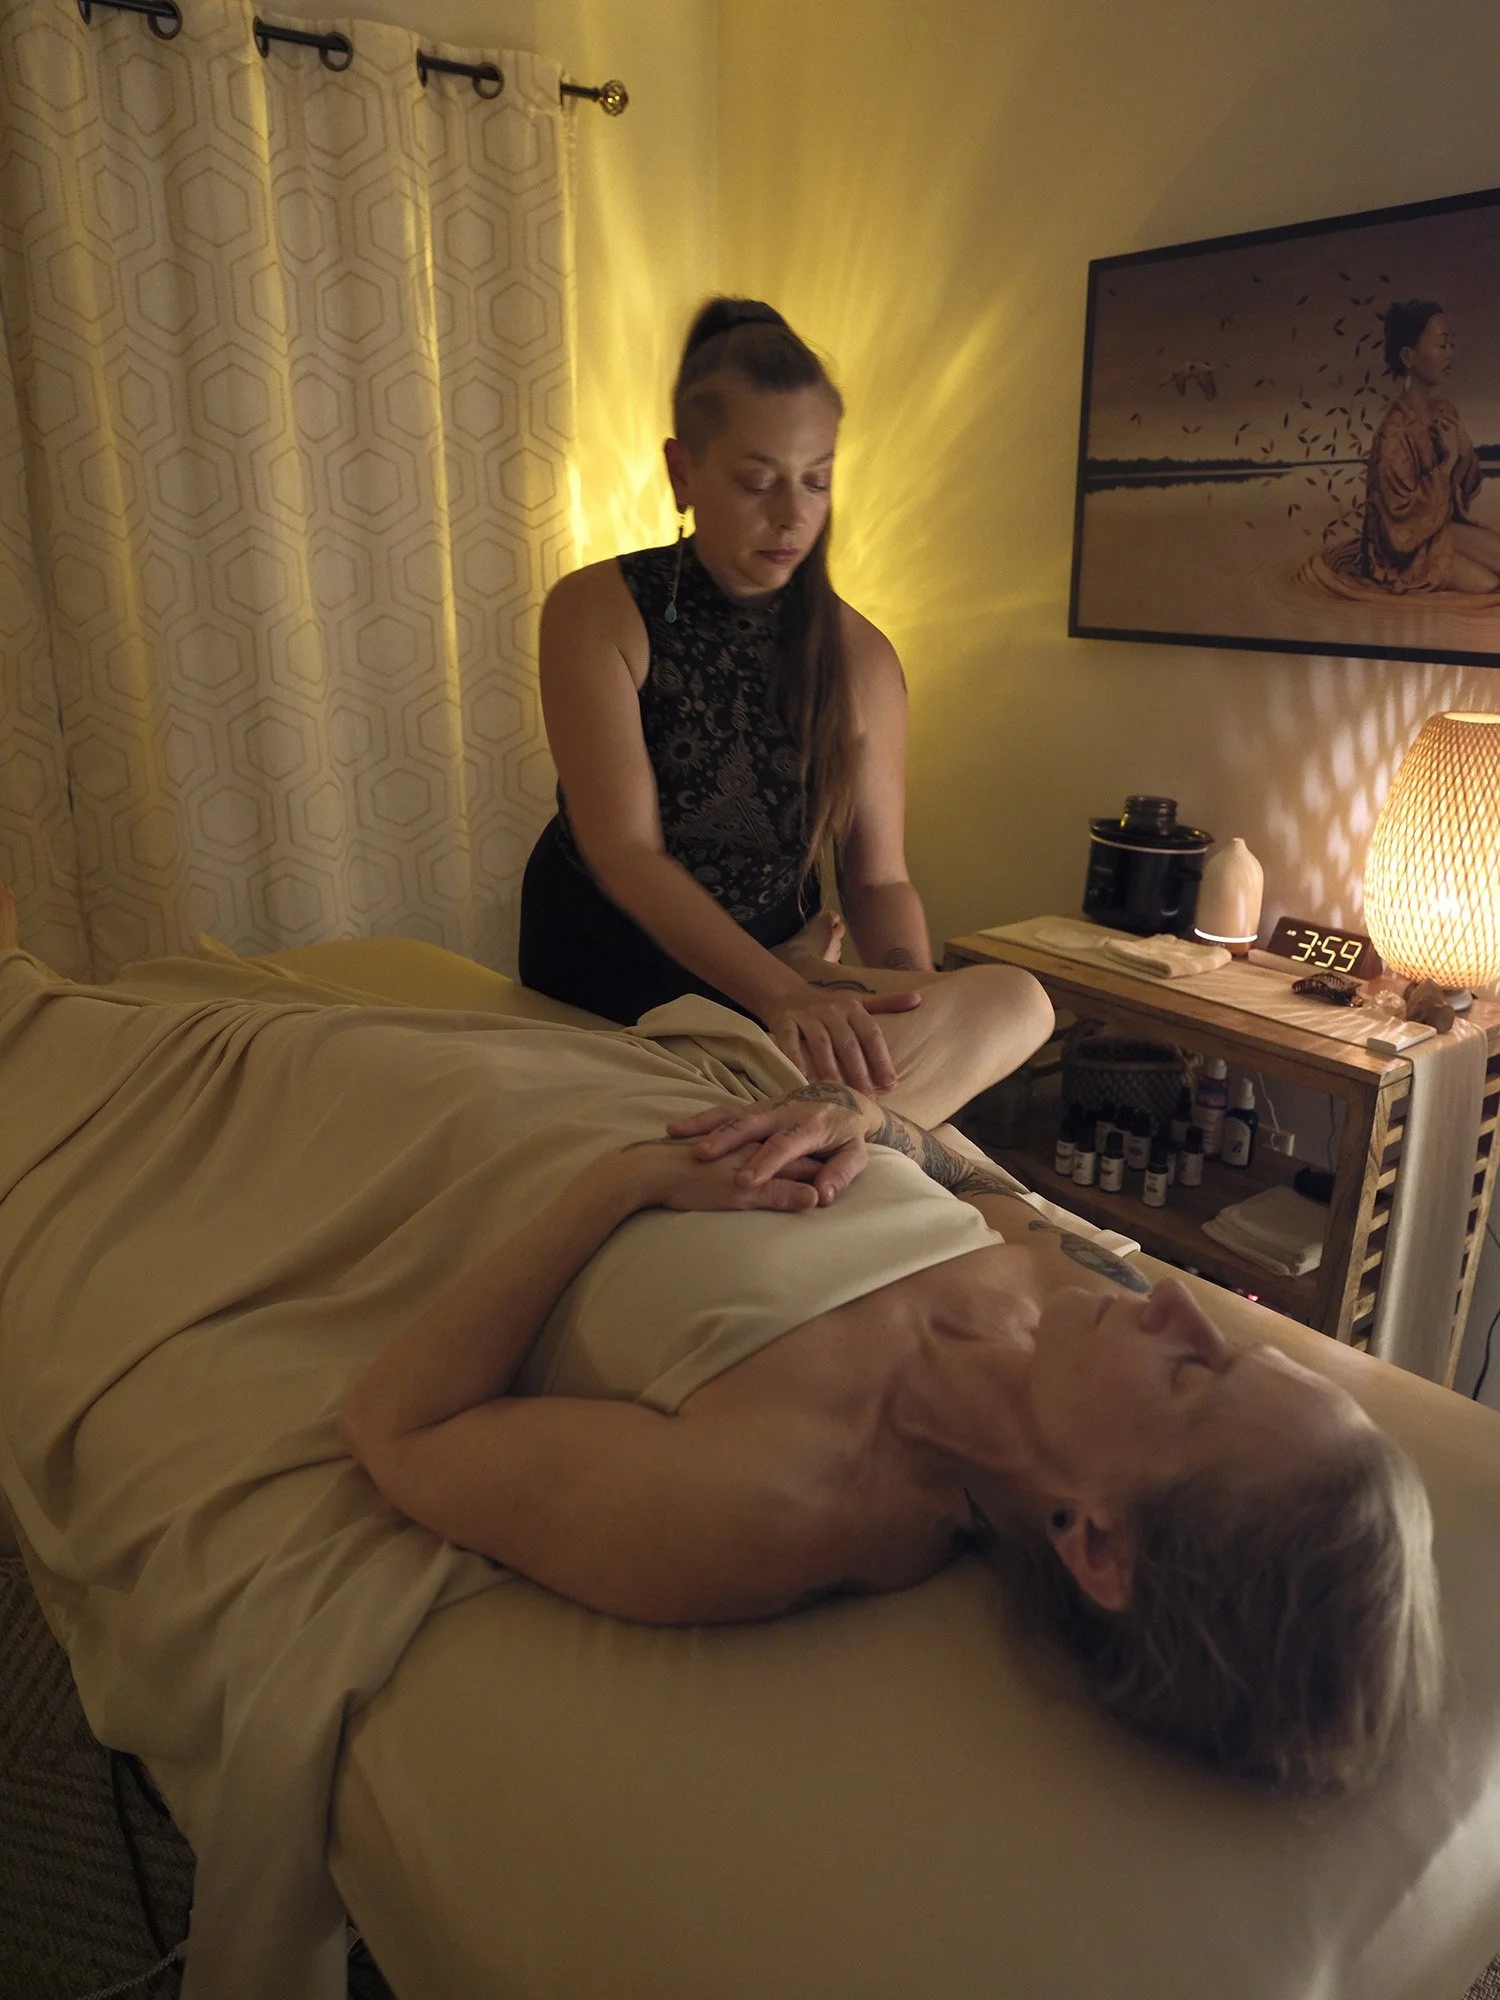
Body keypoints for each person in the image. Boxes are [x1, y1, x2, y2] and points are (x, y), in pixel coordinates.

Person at [342, 1051, 1442, 1798]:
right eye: (1230, 1340)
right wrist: (859, 1117)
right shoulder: (1054, 1285)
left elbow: (401, 1429)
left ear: (1097, 1542)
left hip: (454, 1123)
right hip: (630, 1061)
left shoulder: (776, 1497)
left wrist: (620, 1185)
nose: (1175, 1303)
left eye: (1191, 1378)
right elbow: (941, 1156)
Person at [518, 296, 1047, 1100]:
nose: (792, 514)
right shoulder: (597, 611)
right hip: (610, 972)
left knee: (1018, 1001)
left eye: (816, 481)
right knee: (837, 1077)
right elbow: (626, 855)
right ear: (683, 471)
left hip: (784, 987)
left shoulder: (859, 656)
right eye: (758, 481)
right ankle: (826, 1120)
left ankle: (832, 1122)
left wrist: (907, 992)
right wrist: (783, 986)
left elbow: (876, 883)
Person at [1360, 301, 1500, 593]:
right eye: (1440, 344)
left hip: (1440, 529)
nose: (1449, 353)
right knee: (1488, 585)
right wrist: (1447, 462)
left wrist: (1463, 456)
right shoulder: (1392, 434)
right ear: (1408, 356)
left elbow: (1461, 493)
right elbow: (1397, 529)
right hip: (1404, 551)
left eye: (1451, 344)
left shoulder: (1445, 411)